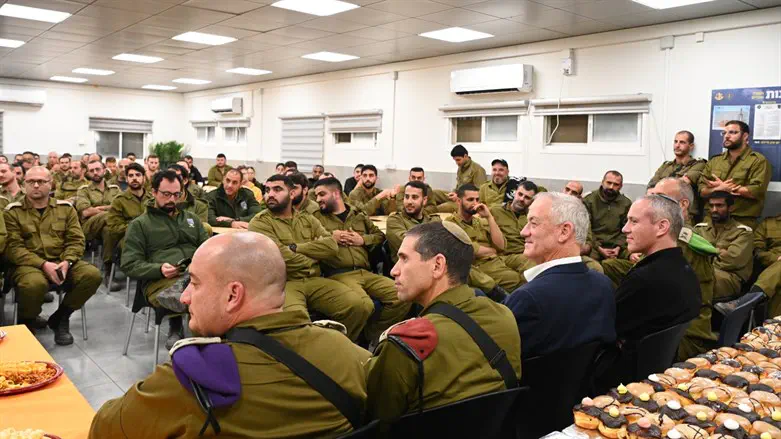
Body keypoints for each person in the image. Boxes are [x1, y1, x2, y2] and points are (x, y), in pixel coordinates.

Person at [89, 232, 371, 438]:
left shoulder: (194, 381)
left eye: (195, 284)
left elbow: (104, 429)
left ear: (233, 295)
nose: (185, 297)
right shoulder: (352, 356)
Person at [365, 221, 521, 422]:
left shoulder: (406, 345)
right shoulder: (504, 316)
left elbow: (379, 419)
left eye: (404, 259)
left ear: (437, 266)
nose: (394, 270)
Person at [249, 175, 374, 341]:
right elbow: (280, 257)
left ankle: (336, 347)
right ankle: (306, 359)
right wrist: (313, 256)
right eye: (267, 190)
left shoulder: (307, 218)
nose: (270, 194)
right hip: (285, 283)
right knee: (297, 319)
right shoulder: (259, 222)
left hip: (314, 280)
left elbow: (331, 247)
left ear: (292, 193)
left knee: (358, 306)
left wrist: (296, 249)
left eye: (277, 189)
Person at [503, 192, 615, 358]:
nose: (523, 232)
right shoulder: (604, 285)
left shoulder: (528, 298)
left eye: (533, 223)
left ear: (564, 231)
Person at [3, 166, 101, 345]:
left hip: (61, 260)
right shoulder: (12, 212)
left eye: (41, 181)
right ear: (24, 185)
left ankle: (61, 317)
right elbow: (14, 248)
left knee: (92, 275)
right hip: (29, 265)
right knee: (33, 284)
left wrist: (67, 261)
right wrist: (43, 264)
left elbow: (76, 240)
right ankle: (27, 322)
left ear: (51, 184)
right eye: (31, 182)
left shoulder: (66, 209)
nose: (36, 185)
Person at [312, 177, 409, 343]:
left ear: (336, 194)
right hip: (339, 274)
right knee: (364, 305)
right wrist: (330, 237)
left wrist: (362, 240)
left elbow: (380, 236)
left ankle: (373, 337)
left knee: (402, 295)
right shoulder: (315, 219)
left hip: (365, 272)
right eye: (316, 195)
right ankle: (343, 343)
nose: (317, 199)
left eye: (322, 194)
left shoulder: (357, 215)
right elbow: (307, 241)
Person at [121, 170, 209, 348]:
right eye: (166, 194)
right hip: (160, 280)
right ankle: (188, 329)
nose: (172, 200)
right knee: (200, 294)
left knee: (217, 287)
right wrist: (158, 269)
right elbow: (129, 264)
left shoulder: (191, 219)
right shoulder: (140, 225)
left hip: (195, 273)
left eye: (177, 194)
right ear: (153, 192)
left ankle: (190, 296)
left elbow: (207, 249)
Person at [387, 181, 502, 297]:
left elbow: (446, 244)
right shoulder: (395, 220)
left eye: (415, 197)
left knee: (472, 287)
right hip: (411, 269)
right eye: (407, 197)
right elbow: (412, 245)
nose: (409, 201)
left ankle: (496, 295)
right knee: (465, 273)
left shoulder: (434, 219)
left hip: (437, 269)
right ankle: (496, 292)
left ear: (425, 200)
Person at [614, 195, 701, 345]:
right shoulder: (685, 269)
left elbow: (606, 329)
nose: (625, 229)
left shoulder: (643, 279)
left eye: (634, 221)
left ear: (661, 227)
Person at [445, 184, 522, 295]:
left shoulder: (480, 221)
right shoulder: (450, 223)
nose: (475, 203)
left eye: (477, 200)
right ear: (458, 201)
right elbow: (469, 250)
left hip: (498, 259)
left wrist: (489, 217)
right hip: (480, 265)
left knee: (527, 263)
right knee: (514, 279)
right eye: (470, 200)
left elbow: (501, 246)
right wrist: (491, 250)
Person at [699, 120, 771, 229]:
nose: (727, 136)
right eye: (724, 133)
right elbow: (702, 191)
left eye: (732, 132)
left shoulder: (758, 161)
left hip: (741, 220)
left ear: (745, 136)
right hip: (712, 219)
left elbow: (756, 191)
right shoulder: (715, 161)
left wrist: (727, 189)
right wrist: (719, 188)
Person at [693, 192, 754, 301]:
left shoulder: (743, 232)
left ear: (730, 208)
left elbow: (733, 260)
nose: (714, 210)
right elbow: (691, 255)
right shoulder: (699, 229)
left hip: (729, 277)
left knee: (699, 281)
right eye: (711, 206)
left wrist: (706, 256)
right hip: (701, 271)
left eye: (719, 205)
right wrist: (719, 252)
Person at [75, 160, 121, 290]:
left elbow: (121, 208)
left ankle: (108, 271)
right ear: (88, 173)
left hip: (109, 228)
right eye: (92, 170)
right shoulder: (83, 190)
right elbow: (86, 212)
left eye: (97, 169)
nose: (95, 173)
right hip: (90, 228)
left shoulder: (114, 189)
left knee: (108, 230)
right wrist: (110, 208)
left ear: (104, 170)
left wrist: (98, 208)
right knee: (109, 217)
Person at [648, 130, 706, 220]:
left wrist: (658, 190)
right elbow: (650, 188)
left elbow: (682, 183)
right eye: (675, 141)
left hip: (683, 214)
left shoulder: (698, 164)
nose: (677, 145)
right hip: (661, 211)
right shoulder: (666, 165)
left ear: (691, 146)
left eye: (682, 142)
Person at [583, 170, 632, 261]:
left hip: (618, 246)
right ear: (602, 182)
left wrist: (618, 247)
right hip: (595, 246)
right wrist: (599, 248)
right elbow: (586, 229)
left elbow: (627, 229)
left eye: (616, 184)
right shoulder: (589, 200)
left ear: (620, 187)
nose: (611, 187)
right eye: (609, 183)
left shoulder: (626, 203)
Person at [491, 181, 537, 274]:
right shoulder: (494, 211)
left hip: (527, 254)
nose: (522, 199)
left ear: (532, 201)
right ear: (515, 193)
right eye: (520, 194)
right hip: (505, 255)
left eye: (527, 197)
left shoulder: (532, 217)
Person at [106, 163, 151, 249]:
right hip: (129, 237)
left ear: (144, 178)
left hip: (151, 235)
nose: (134, 178)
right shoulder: (119, 200)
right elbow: (113, 227)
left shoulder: (153, 199)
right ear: (126, 179)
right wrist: (136, 227)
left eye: (138, 175)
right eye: (131, 176)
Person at [438, 145, 487, 213]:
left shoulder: (478, 169)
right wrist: (454, 193)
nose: (457, 163)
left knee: (441, 207)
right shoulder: (461, 168)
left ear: (465, 156)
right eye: (455, 160)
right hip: (458, 195)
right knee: (435, 193)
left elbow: (480, 192)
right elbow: (459, 185)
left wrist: (458, 197)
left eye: (458, 160)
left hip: (466, 201)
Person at [753, 214, 781, 318]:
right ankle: (774, 329)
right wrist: (776, 258)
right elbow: (757, 252)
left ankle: (751, 297)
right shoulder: (768, 223)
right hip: (772, 268)